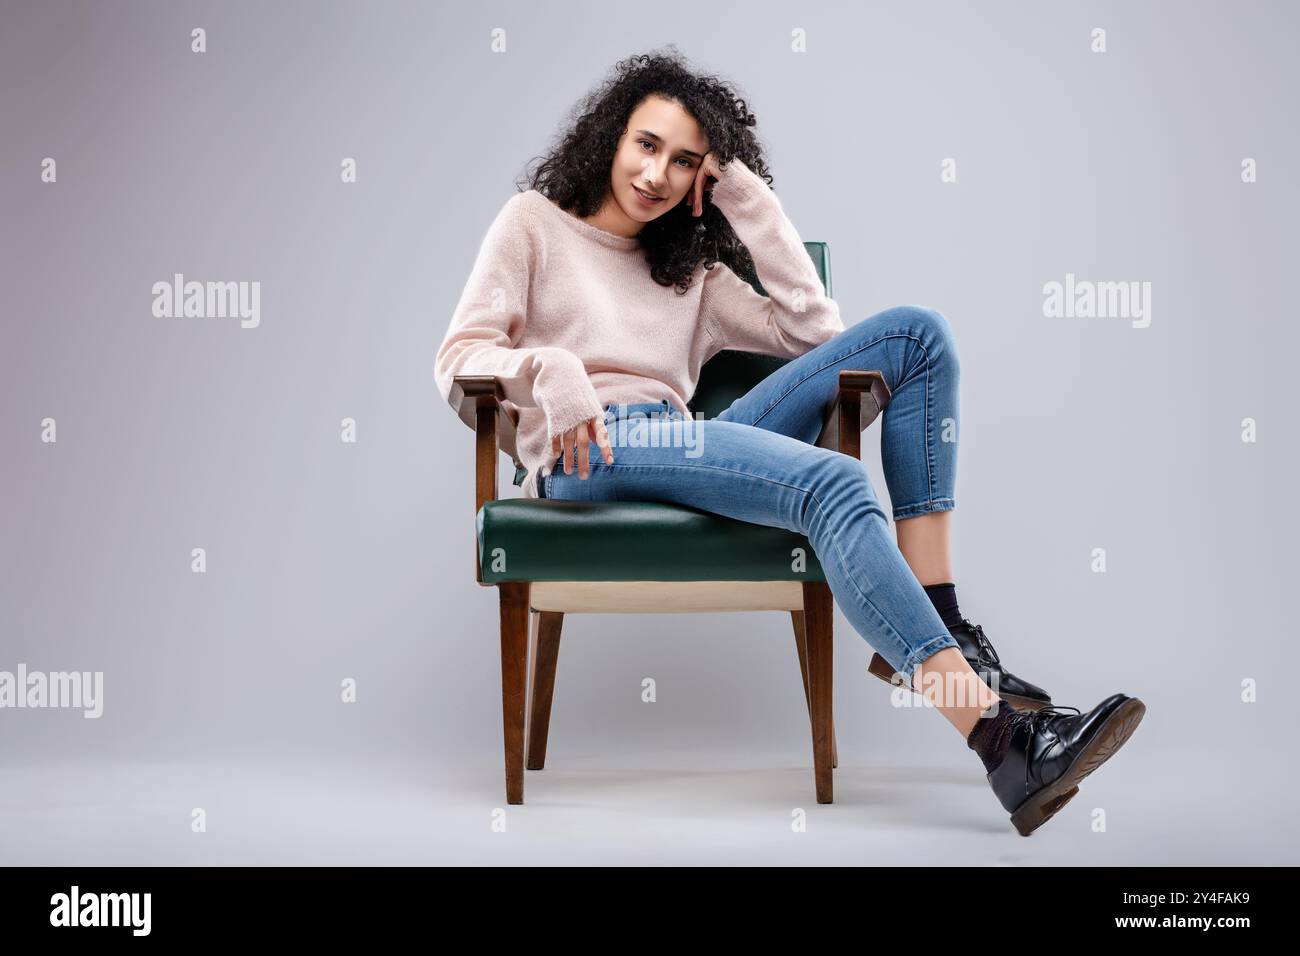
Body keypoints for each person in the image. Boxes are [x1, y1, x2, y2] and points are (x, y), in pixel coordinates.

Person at [434, 48, 1144, 836]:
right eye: (646, 144)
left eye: (686, 162)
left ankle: (947, 625)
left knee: (917, 335)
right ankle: (1001, 742)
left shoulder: (691, 274)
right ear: (611, 135)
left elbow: (816, 333)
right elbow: (458, 360)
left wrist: (747, 197)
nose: (657, 174)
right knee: (834, 484)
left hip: (683, 440)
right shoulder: (533, 223)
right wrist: (549, 365)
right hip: (590, 455)